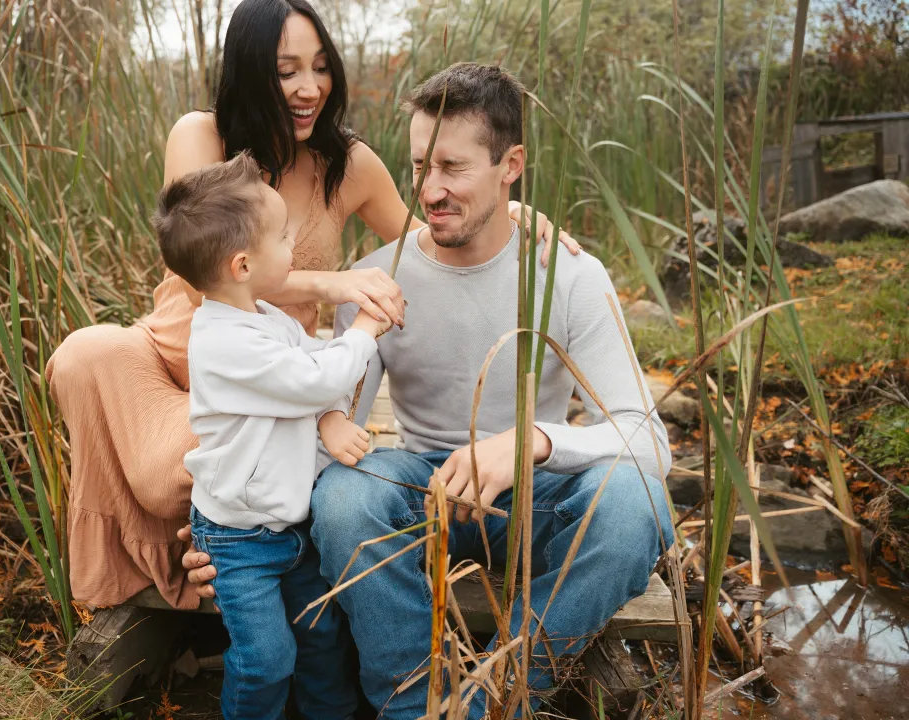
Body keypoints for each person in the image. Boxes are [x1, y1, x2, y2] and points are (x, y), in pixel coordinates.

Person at [46, 0, 581, 612]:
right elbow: (207, 282)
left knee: (207, 467)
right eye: (287, 71)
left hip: (270, 380)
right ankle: (180, 552)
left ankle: (213, 545)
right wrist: (335, 284)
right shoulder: (200, 136)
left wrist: (503, 208)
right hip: (175, 353)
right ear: (250, 71)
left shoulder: (348, 164)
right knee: (85, 353)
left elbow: (433, 241)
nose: (310, 88)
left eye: (321, 67)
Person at [180, 62, 677, 718]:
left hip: (535, 500)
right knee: (343, 501)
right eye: (420, 167)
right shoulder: (375, 280)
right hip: (423, 494)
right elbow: (328, 434)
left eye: (453, 167)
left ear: (511, 165)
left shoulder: (572, 276)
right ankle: (415, 706)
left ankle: (499, 697)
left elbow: (648, 441)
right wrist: (228, 542)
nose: (431, 189)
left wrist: (532, 440)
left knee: (636, 503)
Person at [156, 153, 386, 719]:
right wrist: (363, 326)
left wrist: (330, 414)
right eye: (283, 236)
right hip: (239, 540)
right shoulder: (224, 342)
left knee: (320, 639)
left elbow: (314, 368)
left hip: (291, 523)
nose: (294, 246)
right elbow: (320, 375)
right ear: (241, 264)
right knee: (266, 657)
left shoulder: (265, 317)